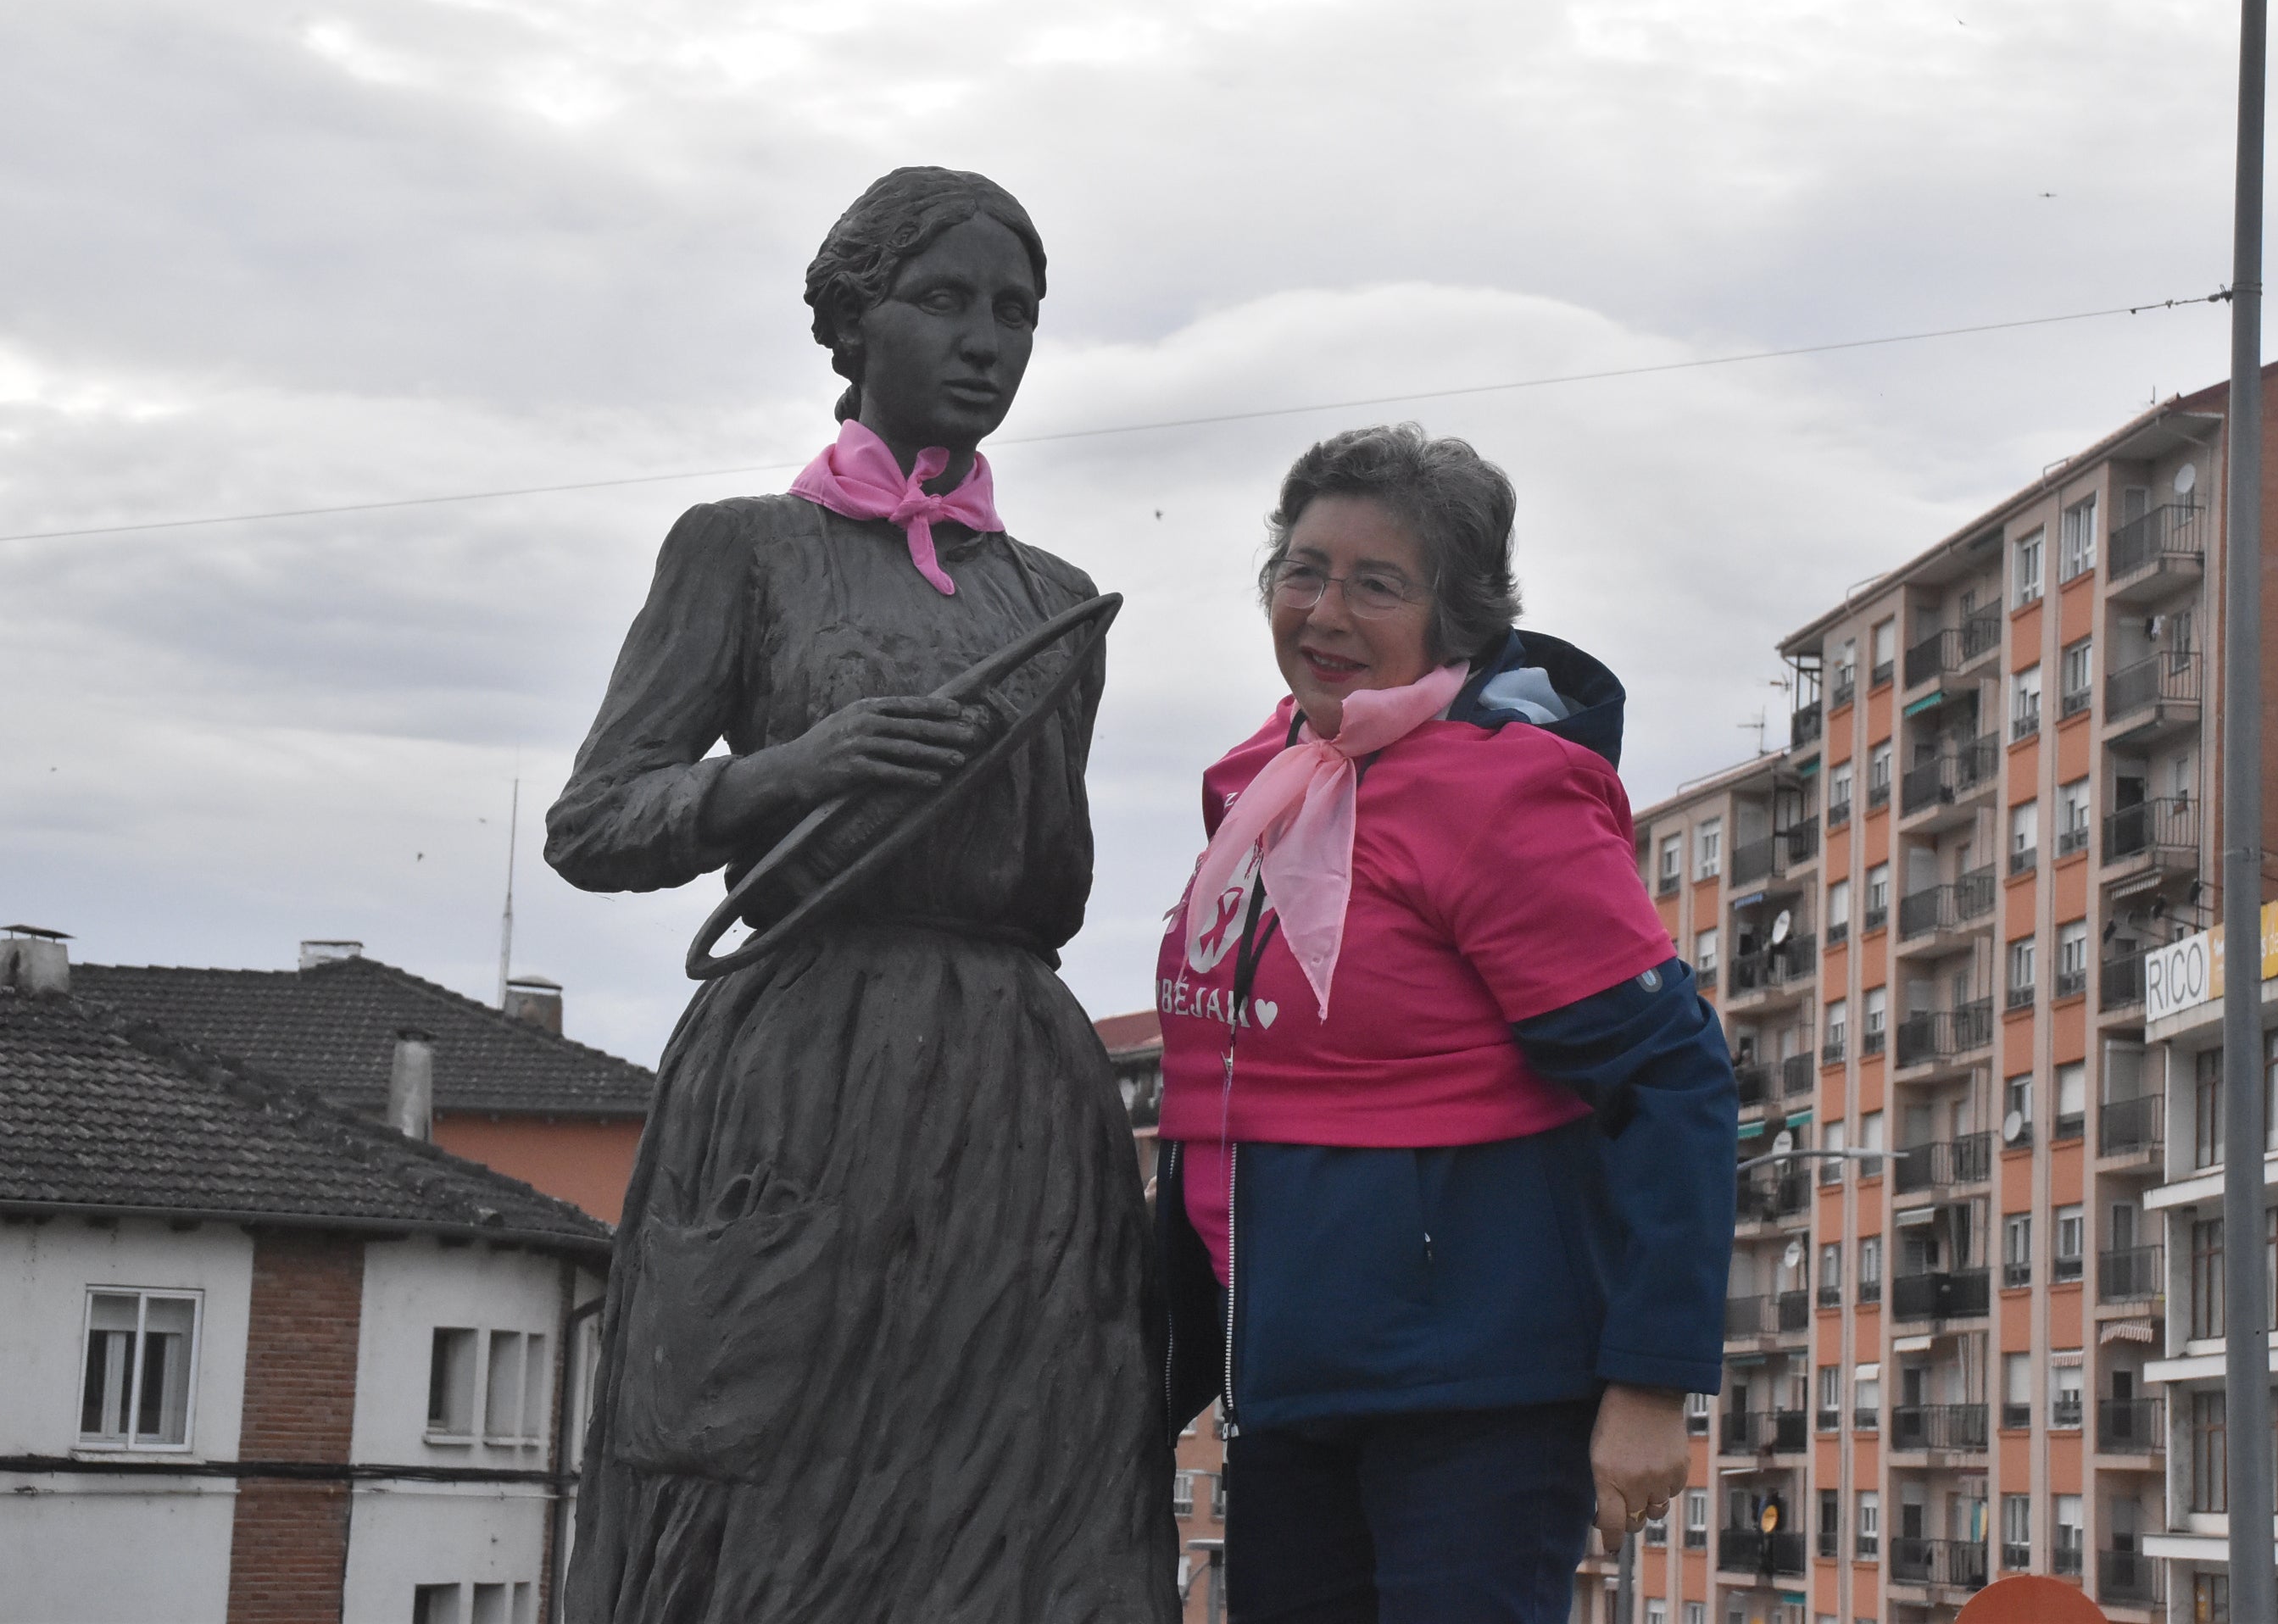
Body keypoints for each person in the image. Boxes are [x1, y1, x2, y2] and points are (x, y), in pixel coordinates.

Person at [549, 167, 1175, 1622]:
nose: (986, 341)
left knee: (1025, 1492)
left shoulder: (1054, 599)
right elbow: (594, 822)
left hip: (1017, 1085)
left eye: (1016, 313)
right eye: (944, 300)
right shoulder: (743, 549)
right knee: (765, 1485)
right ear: (850, 324)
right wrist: (790, 771)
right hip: (802, 1070)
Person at [1151, 424, 1737, 1623]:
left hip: (1473, 1405)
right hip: (1286, 1388)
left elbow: (1675, 1081)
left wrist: (1650, 1384)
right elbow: (1216, 1099)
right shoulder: (1263, 786)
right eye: (1302, 570)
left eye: (1377, 584)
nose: (1323, 609)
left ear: (1456, 616)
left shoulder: (1500, 794)